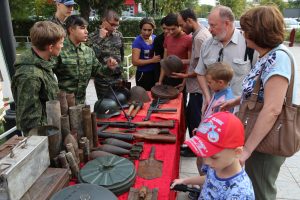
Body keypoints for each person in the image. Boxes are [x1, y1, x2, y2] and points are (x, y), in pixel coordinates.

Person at [221, 6, 300, 199]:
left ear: (258, 31)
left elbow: (272, 108)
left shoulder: (277, 58)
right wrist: (236, 101)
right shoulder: (267, 55)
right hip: (259, 136)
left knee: (261, 191)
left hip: (266, 141)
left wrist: (247, 150)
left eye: (246, 29)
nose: (242, 33)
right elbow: (261, 91)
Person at [171, 112, 255, 199]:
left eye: (214, 157)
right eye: (205, 154)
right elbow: (209, 179)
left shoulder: (241, 193)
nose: (206, 162)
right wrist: (185, 181)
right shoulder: (218, 165)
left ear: (237, 152)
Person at [195, 5, 251, 114]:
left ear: (227, 23)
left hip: (238, 112)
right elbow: (200, 73)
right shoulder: (207, 44)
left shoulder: (248, 44)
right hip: (212, 109)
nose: (209, 29)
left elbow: (257, 80)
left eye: (213, 25)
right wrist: (207, 97)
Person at [11, 21, 65, 134]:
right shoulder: (30, 76)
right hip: (42, 137)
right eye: (61, 43)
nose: (62, 46)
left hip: (50, 129)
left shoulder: (43, 62)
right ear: (50, 47)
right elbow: (30, 122)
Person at [171, 9, 210, 157]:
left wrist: (184, 74)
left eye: (181, 24)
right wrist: (184, 77)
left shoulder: (200, 38)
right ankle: (193, 145)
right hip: (193, 86)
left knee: (195, 120)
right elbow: (194, 62)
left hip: (199, 89)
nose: (181, 28)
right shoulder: (196, 35)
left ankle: (196, 149)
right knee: (191, 117)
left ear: (189, 21)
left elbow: (202, 68)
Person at [54, 15, 117, 104]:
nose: (86, 32)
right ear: (71, 30)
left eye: (86, 28)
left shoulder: (88, 51)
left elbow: (98, 71)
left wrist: (109, 67)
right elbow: (47, 73)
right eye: (82, 28)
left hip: (81, 104)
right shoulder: (60, 50)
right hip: (63, 105)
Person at [88, 10, 125, 99]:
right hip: (103, 80)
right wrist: (100, 38)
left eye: (117, 25)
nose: (114, 28)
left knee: (122, 104)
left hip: (118, 77)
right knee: (106, 106)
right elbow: (91, 57)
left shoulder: (118, 35)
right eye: (112, 25)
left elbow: (122, 55)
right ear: (104, 21)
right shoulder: (92, 36)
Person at [157, 13, 192, 89]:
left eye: (173, 29)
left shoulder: (188, 39)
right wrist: (160, 81)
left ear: (180, 26)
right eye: (168, 29)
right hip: (167, 77)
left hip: (181, 77)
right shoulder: (167, 37)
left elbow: (190, 63)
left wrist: (183, 83)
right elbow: (164, 61)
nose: (171, 32)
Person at [132, 17, 161, 91]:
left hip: (155, 73)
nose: (146, 32)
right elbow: (135, 62)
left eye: (149, 30)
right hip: (143, 74)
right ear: (140, 29)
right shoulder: (137, 41)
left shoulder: (155, 38)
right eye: (144, 30)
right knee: (144, 98)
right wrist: (152, 60)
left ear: (153, 29)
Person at [153, 17, 169, 82]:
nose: (166, 31)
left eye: (168, 28)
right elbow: (158, 60)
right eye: (164, 28)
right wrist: (158, 79)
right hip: (161, 69)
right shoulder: (158, 39)